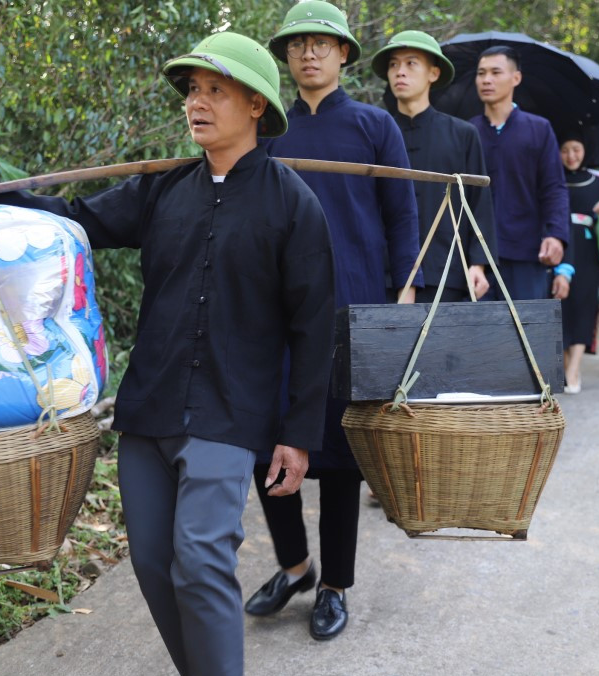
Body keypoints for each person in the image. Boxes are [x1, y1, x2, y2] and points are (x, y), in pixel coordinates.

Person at [0, 32, 336, 676]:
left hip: (229, 416)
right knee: (154, 564)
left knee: (200, 560)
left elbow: (313, 327)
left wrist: (297, 434)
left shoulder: (292, 204)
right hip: (148, 410)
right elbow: (69, 218)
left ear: (256, 106)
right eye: (192, 90)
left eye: (215, 91)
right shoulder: (164, 189)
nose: (197, 102)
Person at [243, 1, 423, 642]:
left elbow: (402, 213)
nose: (309, 54)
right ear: (285, 58)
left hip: (354, 307)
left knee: (340, 454)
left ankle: (335, 585)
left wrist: (403, 295)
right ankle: (295, 566)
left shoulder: (375, 125)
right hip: (275, 313)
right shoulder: (268, 130)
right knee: (266, 442)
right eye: (297, 45)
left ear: (344, 53)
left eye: (322, 43)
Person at [372, 29, 496, 302]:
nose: (400, 72)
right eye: (393, 64)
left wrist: (478, 263)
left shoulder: (462, 134)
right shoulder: (375, 133)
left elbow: (478, 202)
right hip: (382, 272)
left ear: (433, 73)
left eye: (411, 63)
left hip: (445, 269)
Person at [470, 46, 570, 300]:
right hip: (475, 256)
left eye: (495, 72)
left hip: (526, 251)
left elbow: (554, 187)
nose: (486, 80)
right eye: (481, 73)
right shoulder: (468, 132)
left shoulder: (539, 129)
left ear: (516, 78)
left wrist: (556, 235)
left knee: (525, 325)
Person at [557, 131, 599, 392]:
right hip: (558, 244)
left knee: (584, 304)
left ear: (585, 151)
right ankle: (565, 365)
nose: (571, 156)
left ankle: (574, 369)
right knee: (560, 306)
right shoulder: (552, 178)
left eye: (576, 149)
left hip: (587, 249)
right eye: (565, 150)